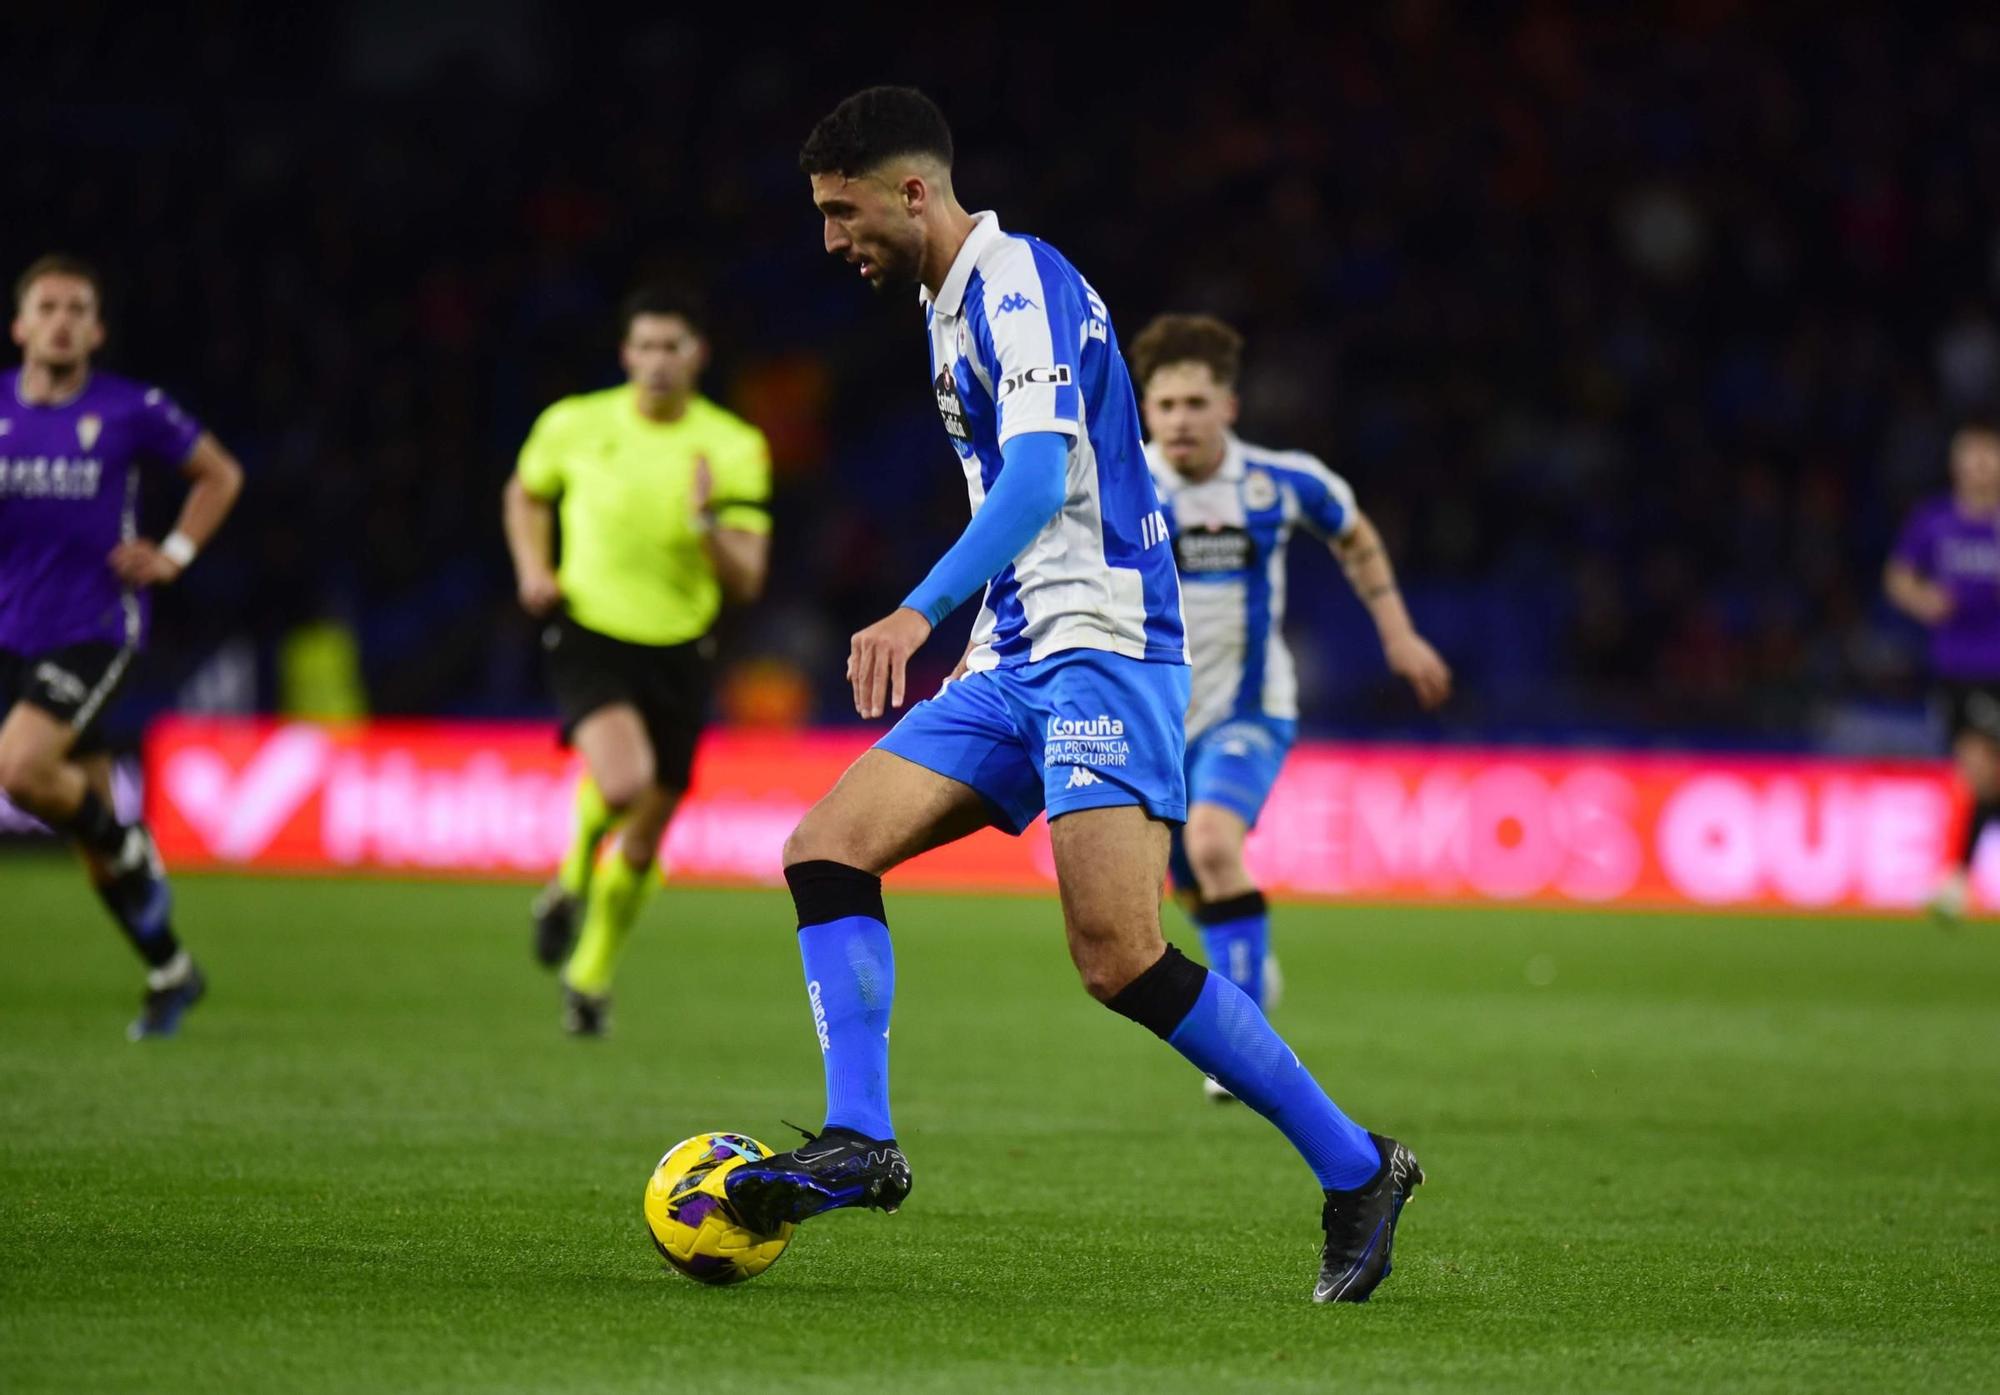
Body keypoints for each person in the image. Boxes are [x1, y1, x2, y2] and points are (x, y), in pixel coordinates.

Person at [719, 87, 1423, 1304]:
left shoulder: (1018, 285)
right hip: (1011, 654)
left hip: (1104, 646)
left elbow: (1041, 480)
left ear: (913, 192)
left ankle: (1359, 1169)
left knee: (1117, 958)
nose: (829, 239)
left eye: (842, 212)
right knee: (825, 850)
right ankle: (860, 1139)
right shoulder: (944, 304)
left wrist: (915, 610)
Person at [1131, 313, 1451, 1099]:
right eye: (1165, 404)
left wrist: (1399, 634)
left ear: (1229, 407)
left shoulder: (1280, 482)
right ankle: (1249, 966)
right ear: (1145, 410)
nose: (1181, 420)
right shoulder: (1123, 483)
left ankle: (1240, 1047)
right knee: (1182, 877)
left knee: (1213, 841)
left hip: (1251, 709)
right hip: (1157, 718)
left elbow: (1356, 537)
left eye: (1196, 403)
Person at [502, 287, 771, 1034]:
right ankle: (573, 871)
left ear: (697, 355)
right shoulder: (574, 424)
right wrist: (533, 568)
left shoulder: (732, 446)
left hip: (682, 648)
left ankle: (587, 976)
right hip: (591, 630)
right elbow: (524, 494)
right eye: (645, 346)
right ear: (625, 353)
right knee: (622, 781)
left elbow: (748, 577)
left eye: (671, 347)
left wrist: (706, 524)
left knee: (646, 839)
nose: (657, 362)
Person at [0, 253, 245, 1039]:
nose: (62, 321)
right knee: (85, 828)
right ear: (20, 326)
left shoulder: (130, 407)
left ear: (97, 330)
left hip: (95, 626)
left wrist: (174, 553)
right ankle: (172, 968)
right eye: (47, 307)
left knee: (21, 770)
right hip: (11, 631)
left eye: (77, 309)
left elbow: (220, 474)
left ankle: (130, 841)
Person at [1885, 418, 2000, 923]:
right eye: (1970, 455)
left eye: (1988, 455)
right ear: (1956, 462)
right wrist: (1924, 600)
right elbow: (1898, 578)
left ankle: (1954, 879)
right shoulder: (1934, 520)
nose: (1979, 465)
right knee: (1981, 771)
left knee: (1982, 771)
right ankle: (1955, 877)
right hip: (1958, 668)